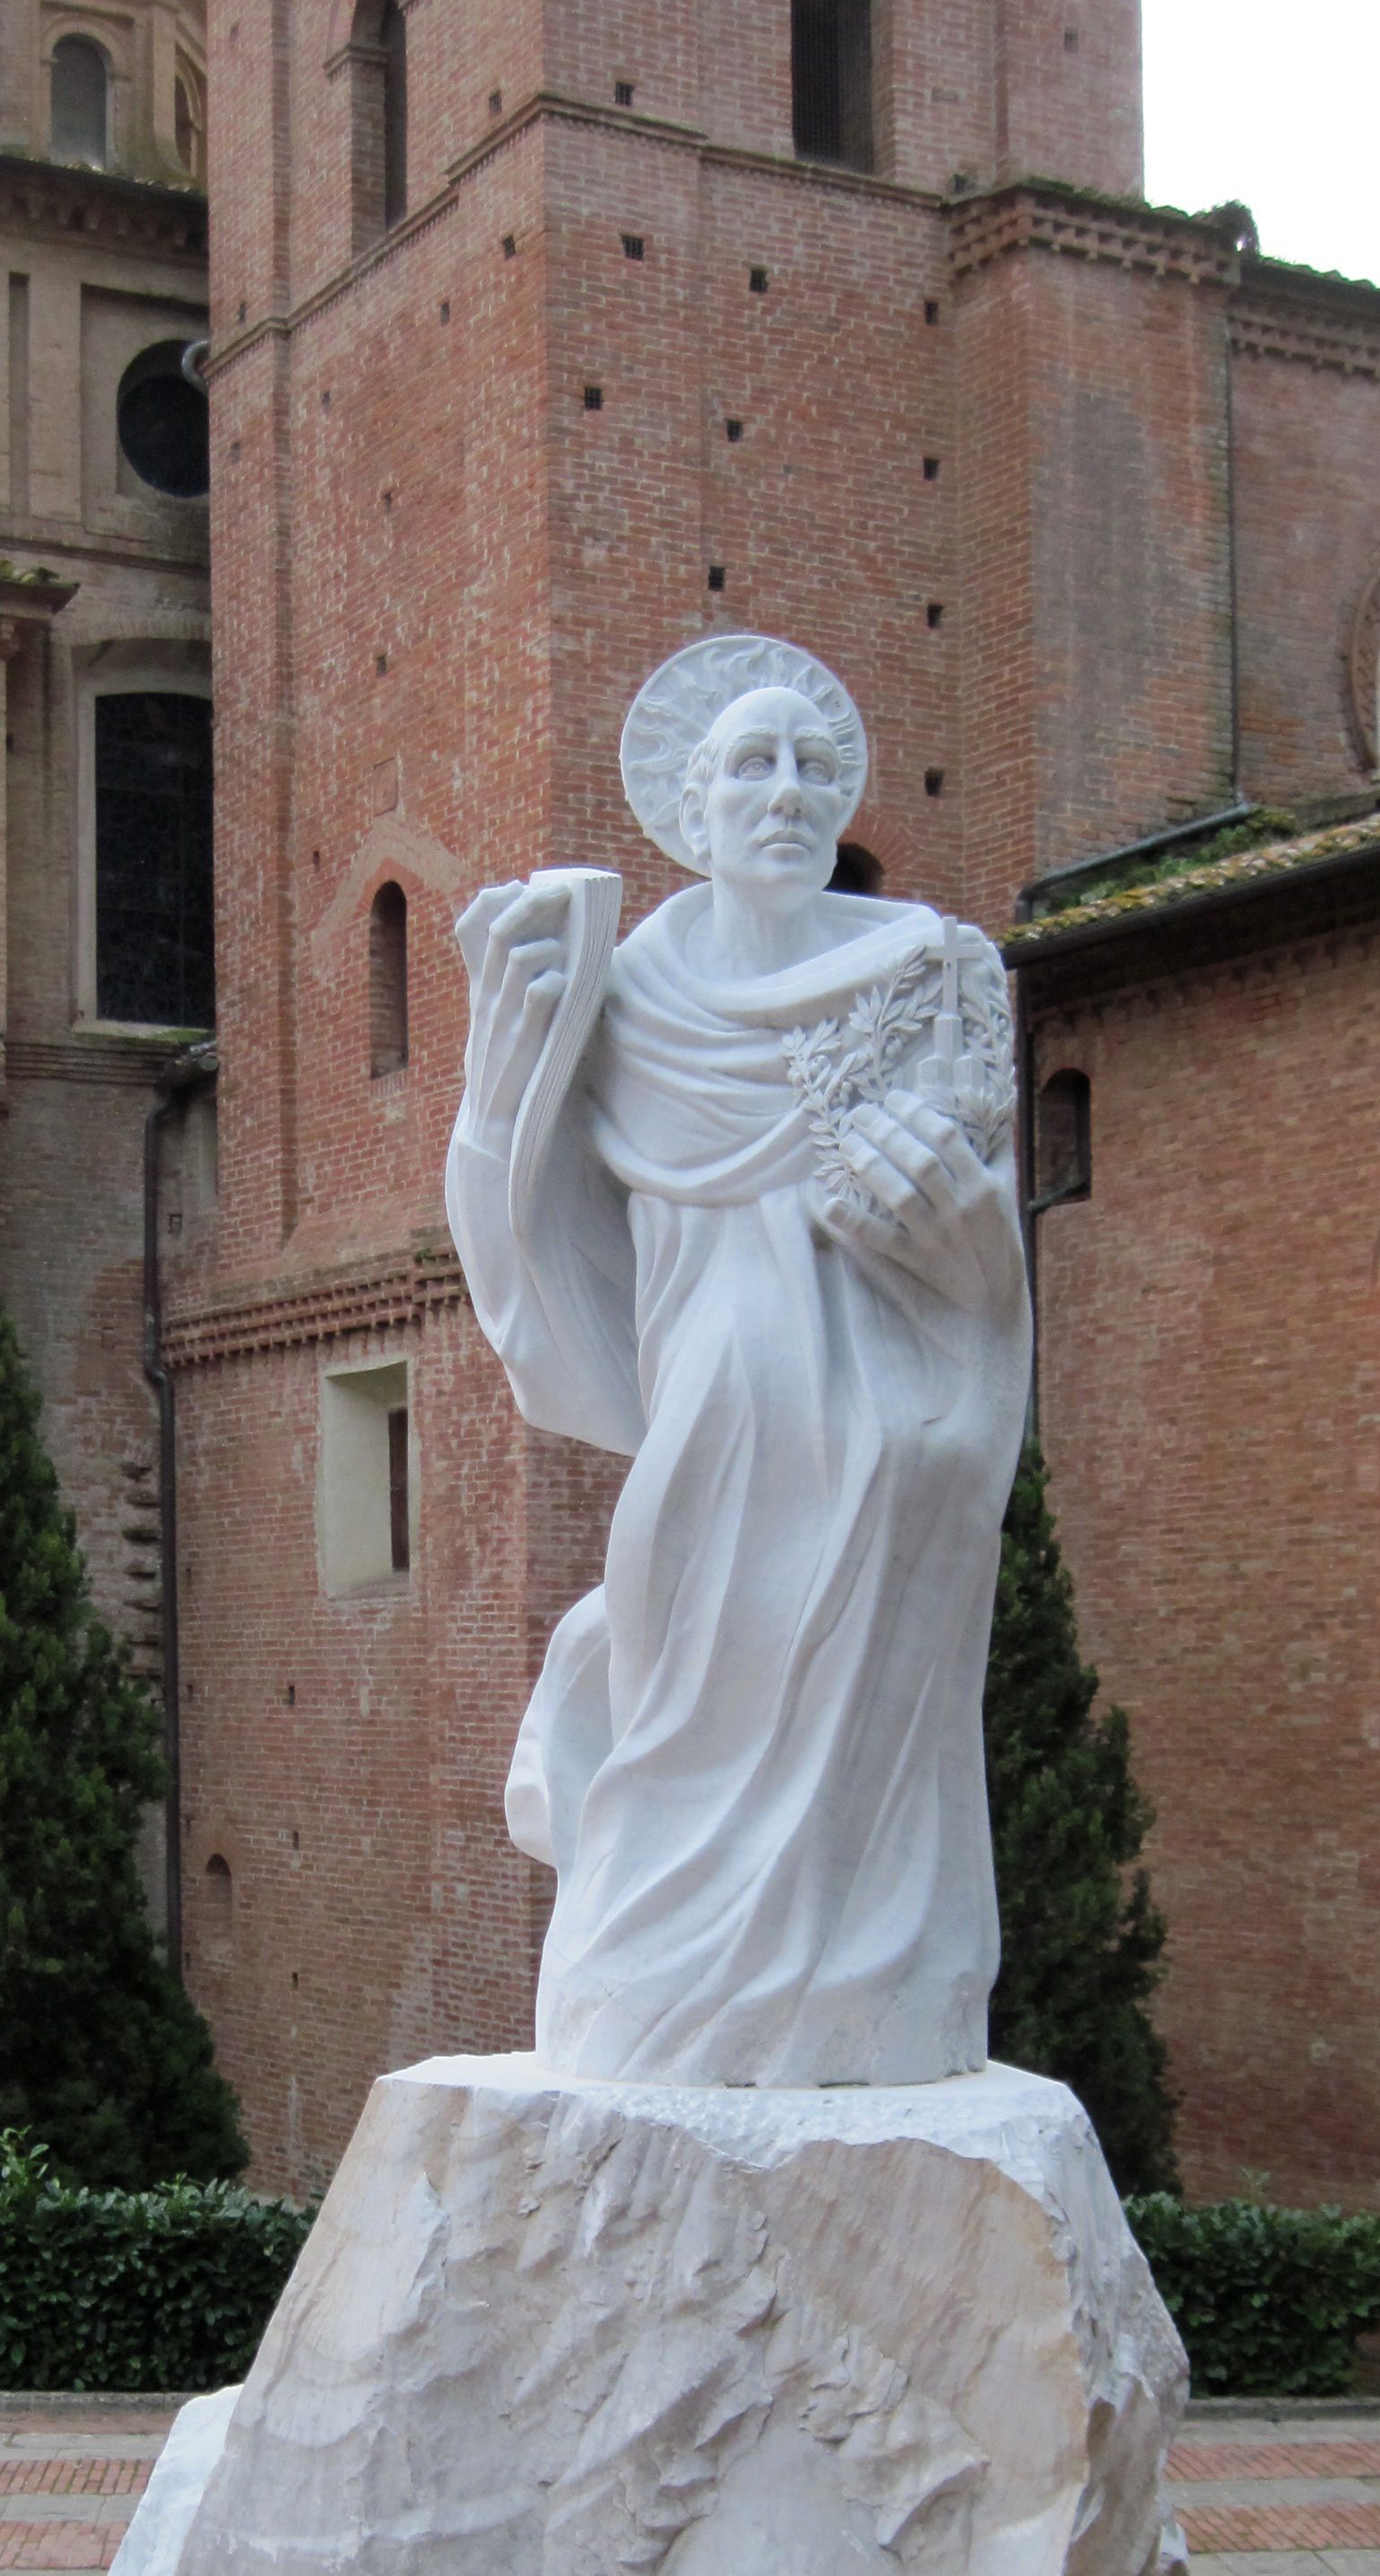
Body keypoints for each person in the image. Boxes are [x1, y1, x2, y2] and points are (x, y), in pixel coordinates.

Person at [447, 634, 1030, 2088]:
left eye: (815, 766)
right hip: (705, 1428)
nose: (787, 792)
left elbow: (982, 1235)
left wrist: (968, 1254)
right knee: (681, 1714)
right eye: (752, 765)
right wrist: (498, 1069)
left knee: (859, 1725)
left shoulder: (935, 972)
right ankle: (662, 1993)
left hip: (886, 1429)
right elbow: (525, 1224)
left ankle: (863, 1994)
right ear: (691, 804)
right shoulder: (622, 998)